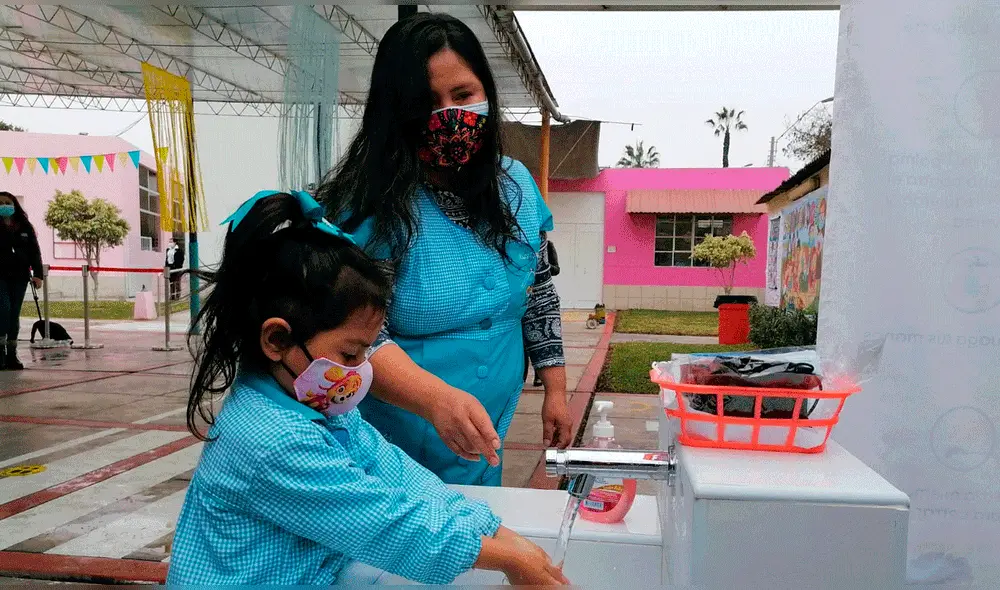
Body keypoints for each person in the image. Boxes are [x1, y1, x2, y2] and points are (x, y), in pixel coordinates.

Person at [167, 191, 568, 586]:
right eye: (350, 353)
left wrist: (500, 535)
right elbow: (384, 526)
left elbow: (395, 473)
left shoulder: (314, 403)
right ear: (276, 340)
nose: (360, 370)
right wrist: (508, 560)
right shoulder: (269, 439)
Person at [317, 12, 571, 487]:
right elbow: (358, 334)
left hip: (486, 427)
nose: (450, 116)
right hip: (398, 434)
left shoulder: (514, 183)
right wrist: (435, 400)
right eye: (426, 103)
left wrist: (555, 388)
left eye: (463, 96)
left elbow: (538, 291)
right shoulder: (370, 203)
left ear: (486, 94)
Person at [0, 192, 42, 371]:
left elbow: (34, 251)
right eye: (0, 203)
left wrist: (38, 273)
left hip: (20, 276)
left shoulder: (25, 226)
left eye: (7, 202)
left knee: (14, 313)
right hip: (0, 276)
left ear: (14, 204)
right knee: (4, 309)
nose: (4, 205)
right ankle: (0, 351)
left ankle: (12, 353)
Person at [165, 236, 185, 301]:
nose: (170, 243)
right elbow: (167, 259)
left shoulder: (179, 250)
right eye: (169, 242)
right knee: (171, 283)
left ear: (175, 242)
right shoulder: (168, 250)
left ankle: (178, 296)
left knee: (177, 282)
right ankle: (172, 296)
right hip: (169, 268)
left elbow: (181, 259)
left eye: (171, 242)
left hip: (176, 268)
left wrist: (177, 266)